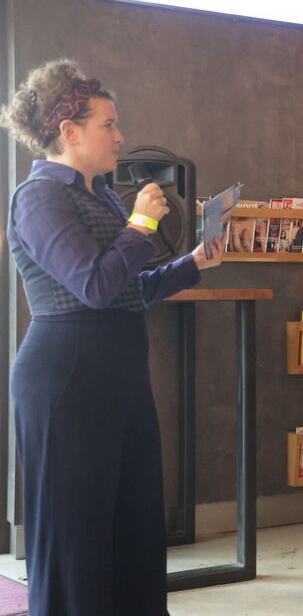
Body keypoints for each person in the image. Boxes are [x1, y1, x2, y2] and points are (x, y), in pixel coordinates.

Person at [1, 59, 225, 615]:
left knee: (135, 525)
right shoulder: (38, 197)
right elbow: (95, 285)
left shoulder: (99, 194)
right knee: (74, 533)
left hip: (119, 375)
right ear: (69, 131)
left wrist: (195, 262)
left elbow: (129, 289)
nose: (120, 136)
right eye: (108, 124)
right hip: (66, 378)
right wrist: (141, 224)